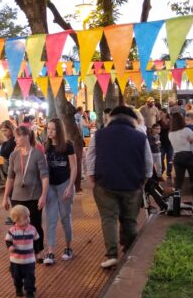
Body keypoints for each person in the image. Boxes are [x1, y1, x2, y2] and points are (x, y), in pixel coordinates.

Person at [87, 106, 152, 269]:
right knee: (129, 220)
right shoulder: (140, 136)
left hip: (104, 183)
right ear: (133, 120)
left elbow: (90, 155)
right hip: (132, 184)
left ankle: (111, 254)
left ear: (111, 118)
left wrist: (91, 176)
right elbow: (149, 162)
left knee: (108, 219)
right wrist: (144, 180)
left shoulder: (99, 135)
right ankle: (130, 251)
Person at [3, 125, 49, 261]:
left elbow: (44, 176)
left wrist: (43, 195)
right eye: (15, 137)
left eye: (17, 136)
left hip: (34, 196)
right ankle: (19, 252)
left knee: (35, 224)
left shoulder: (37, 154)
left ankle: (38, 251)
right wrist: (5, 197)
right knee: (17, 225)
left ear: (26, 136)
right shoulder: (14, 155)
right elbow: (10, 178)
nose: (15, 139)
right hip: (17, 196)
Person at [44, 118, 76, 265]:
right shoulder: (46, 146)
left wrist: (70, 186)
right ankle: (50, 251)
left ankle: (68, 247)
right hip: (50, 185)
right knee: (50, 218)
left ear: (59, 131)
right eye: (48, 128)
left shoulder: (68, 145)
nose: (50, 132)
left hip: (64, 183)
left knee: (65, 216)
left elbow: (74, 167)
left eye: (53, 129)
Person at [6, 204, 39, 298]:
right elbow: (8, 240)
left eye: (28, 216)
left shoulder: (32, 229)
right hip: (16, 260)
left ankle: (29, 292)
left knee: (30, 276)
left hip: (29, 260)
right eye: (25, 218)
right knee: (16, 277)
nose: (28, 219)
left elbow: (36, 240)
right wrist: (10, 246)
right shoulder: (12, 231)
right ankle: (18, 287)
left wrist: (37, 252)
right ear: (16, 220)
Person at [169, 112, 193, 195]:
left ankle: (176, 204)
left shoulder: (170, 133)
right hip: (189, 156)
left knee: (178, 182)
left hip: (177, 157)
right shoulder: (187, 130)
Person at [0, 120, 17, 184]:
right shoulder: (9, 140)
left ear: (11, 129)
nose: (4, 133)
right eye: (2, 131)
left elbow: (4, 153)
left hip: (13, 166)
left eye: (5, 130)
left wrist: (4, 143)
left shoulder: (14, 139)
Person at [158, 109, 173, 178]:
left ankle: (169, 173)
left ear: (165, 113)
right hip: (162, 143)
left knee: (170, 159)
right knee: (161, 158)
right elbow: (157, 132)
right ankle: (162, 169)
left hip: (170, 143)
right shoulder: (158, 122)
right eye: (159, 113)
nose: (160, 114)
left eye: (161, 113)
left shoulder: (171, 121)